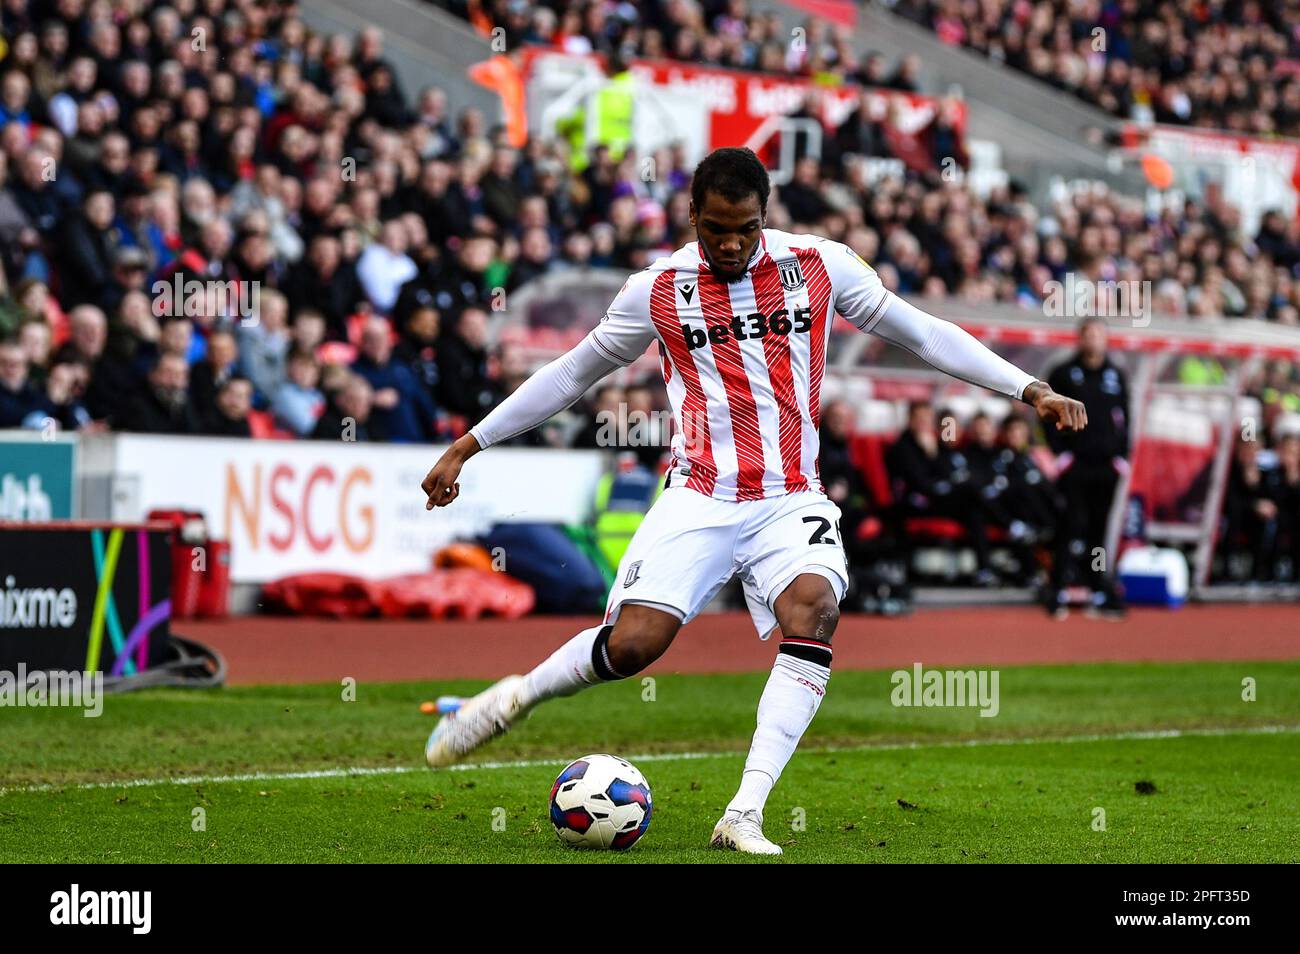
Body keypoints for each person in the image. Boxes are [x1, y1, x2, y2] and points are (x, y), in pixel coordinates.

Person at [418, 148, 1086, 855]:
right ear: (693, 217)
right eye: (715, 229)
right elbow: (573, 372)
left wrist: (1028, 388)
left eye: (745, 227)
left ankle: (744, 810)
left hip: (788, 497)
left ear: (765, 215)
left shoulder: (818, 265)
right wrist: (469, 443)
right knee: (634, 646)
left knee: (816, 611)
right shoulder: (659, 288)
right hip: (699, 495)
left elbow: (919, 331)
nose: (731, 243)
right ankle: (515, 698)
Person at [1044, 317, 1130, 619]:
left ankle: (1097, 589)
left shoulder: (1115, 375)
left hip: (1106, 466)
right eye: (1088, 334)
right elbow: (1046, 413)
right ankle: (1058, 589)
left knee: (1098, 531)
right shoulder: (1064, 373)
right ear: (1079, 338)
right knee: (1069, 526)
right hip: (1075, 464)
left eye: (1099, 334)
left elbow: (1124, 417)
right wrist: (1060, 454)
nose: (1094, 340)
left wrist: (1122, 457)